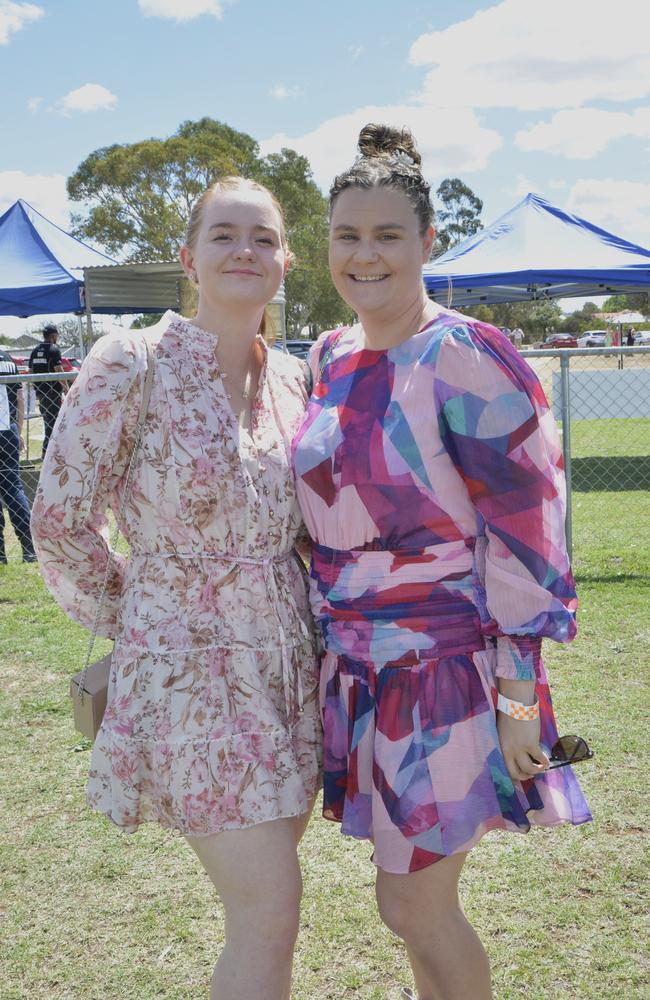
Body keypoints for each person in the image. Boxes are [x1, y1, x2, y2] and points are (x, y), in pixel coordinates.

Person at [292, 124, 591, 1000]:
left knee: (414, 906)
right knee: (404, 906)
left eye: (388, 235)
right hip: (353, 667)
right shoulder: (328, 357)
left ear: (428, 241)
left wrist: (517, 696)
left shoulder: (462, 353)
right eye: (348, 235)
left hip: (445, 672)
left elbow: (529, 531)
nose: (366, 254)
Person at [31, 177, 322, 1000]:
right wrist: (144, 619)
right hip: (190, 678)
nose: (245, 250)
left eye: (263, 238)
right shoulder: (133, 360)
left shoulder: (297, 379)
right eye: (225, 235)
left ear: (284, 263)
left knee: (265, 906)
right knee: (270, 912)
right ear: (191, 259)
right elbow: (58, 516)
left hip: (289, 673)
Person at [0, 348, 36, 563]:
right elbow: (19, 397)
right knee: (13, 488)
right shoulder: (7, 360)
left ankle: (1, 555)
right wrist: (18, 430)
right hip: (8, 429)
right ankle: (29, 549)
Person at [28, 323, 68, 458]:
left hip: (41, 392)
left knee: (48, 421)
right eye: (56, 335)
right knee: (53, 422)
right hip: (52, 392)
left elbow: (30, 371)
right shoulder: (53, 349)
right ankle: (49, 452)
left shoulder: (35, 351)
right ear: (53, 336)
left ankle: (47, 451)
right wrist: (66, 388)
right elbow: (58, 369)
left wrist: (37, 387)